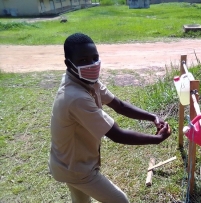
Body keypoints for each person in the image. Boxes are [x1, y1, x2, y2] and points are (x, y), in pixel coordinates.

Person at [49, 32, 172, 203]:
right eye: (83, 61)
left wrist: (153, 117)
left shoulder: (87, 81)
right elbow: (117, 134)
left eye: (95, 58)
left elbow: (119, 105)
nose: (92, 64)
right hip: (77, 169)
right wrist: (157, 139)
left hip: (68, 163)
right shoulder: (75, 97)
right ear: (68, 64)